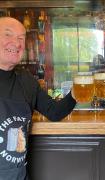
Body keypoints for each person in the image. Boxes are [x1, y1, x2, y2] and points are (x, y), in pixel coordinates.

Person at [0, 17, 76, 180]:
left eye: (21, 38)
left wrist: (77, 92)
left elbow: (54, 112)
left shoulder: (26, 81)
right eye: (8, 35)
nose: (16, 42)